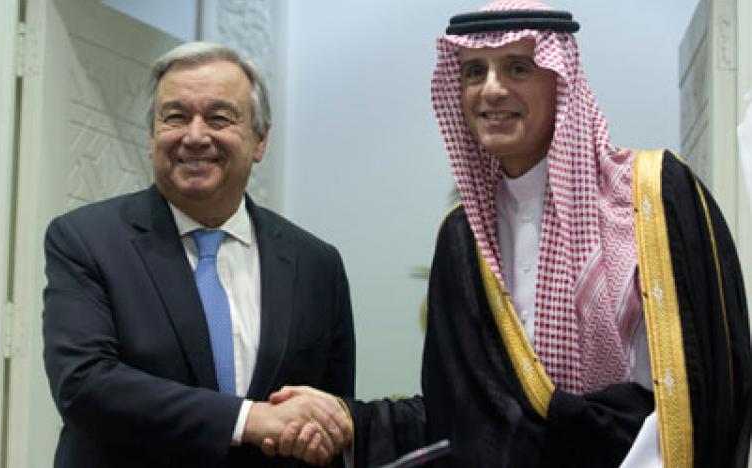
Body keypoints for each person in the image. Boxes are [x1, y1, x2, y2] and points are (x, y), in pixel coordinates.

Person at [266, 1, 752, 467]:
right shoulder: (462, 239)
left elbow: (707, 386)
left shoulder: (651, 197)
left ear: (560, 80)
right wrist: (346, 419)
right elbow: (462, 416)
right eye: (474, 71)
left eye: (517, 68)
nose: (491, 90)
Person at [42, 42, 355, 468]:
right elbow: (83, 385)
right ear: (152, 135)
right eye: (175, 117)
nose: (194, 136)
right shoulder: (86, 240)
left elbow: (328, 416)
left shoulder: (317, 264)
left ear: (260, 140)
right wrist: (248, 419)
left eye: (219, 118)